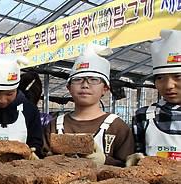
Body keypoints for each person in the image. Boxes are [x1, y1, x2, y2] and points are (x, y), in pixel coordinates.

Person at [43, 44, 134, 166]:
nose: (85, 85)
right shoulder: (55, 125)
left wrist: (105, 161)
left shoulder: (117, 127)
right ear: (69, 87)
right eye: (78, 79)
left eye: (94, 79)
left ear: (105, 88)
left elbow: (128, 169)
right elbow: (43, 162)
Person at [129, 29, 181, 166]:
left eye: (178, 77)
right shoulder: (144, 116)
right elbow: (135, 154)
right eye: (160, 78)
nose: (169, 85)